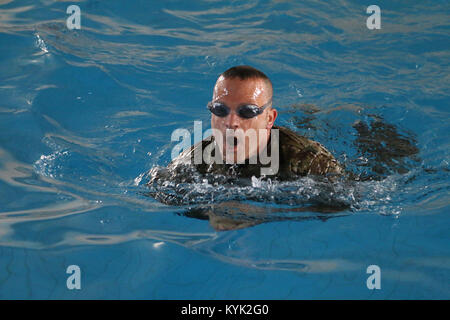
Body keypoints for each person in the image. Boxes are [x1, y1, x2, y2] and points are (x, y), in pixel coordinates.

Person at [149, 65, 343, 184]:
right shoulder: (192, 162)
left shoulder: (309, 161)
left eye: (247, 112)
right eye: (220, 110)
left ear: (269, 118)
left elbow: (345, 207)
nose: (231, 122)